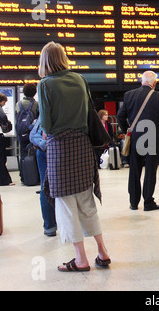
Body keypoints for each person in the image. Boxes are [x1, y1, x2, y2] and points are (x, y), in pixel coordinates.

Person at [37, 41, 110, 271]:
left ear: (45, 61)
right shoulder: (79, 79)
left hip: (60, 149)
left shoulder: (45, 84)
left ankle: (80, 259)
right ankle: (102, 252)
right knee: (87, 203)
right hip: (83, 146)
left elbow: (46, 125)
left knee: (66, 206)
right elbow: (89, 113)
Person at [117, 70, 159, 211]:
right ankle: (148, 202)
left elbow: (120, 117)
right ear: (155, 83)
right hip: (153, 138)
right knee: (150, 171)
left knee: (134, 170)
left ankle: (133, 202)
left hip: (135, 138)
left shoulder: (129, 95)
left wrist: (127, 131)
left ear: (141, 81)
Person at [29, 118, 57, 237]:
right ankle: (70, 226)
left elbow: (34, 134)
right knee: (70, 189)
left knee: (45, 186)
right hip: (64, 149)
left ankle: (50, 227)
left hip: (44, 151)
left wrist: (44, 144)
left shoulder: (45, 104)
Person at [16, 83, 39, 183]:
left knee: (23, 153)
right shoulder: (36, 104)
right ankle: (34, 176)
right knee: (34, 153)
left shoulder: (18, 104)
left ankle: (23, 176)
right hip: (33, 132)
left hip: (22, 132)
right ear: (34, 92)